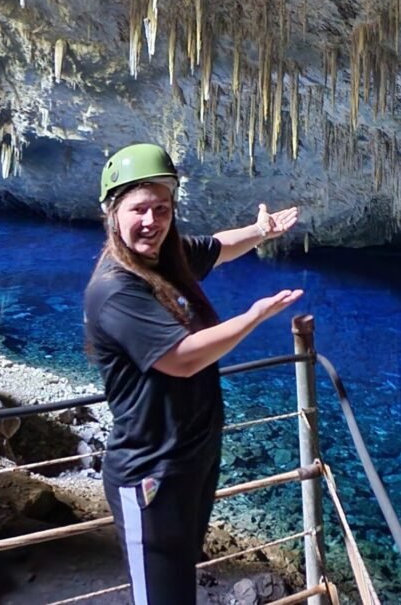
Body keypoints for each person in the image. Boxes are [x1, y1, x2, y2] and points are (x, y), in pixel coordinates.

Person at [83, 143, 303, 605]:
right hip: (150, 473)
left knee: (179, 587)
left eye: (162, 209)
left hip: (191, 459)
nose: (152, 221)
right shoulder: (116, 288)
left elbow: (217, 248)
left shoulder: (164, 257)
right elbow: (181, 358)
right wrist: (254, 317)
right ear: (112, 213)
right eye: (139, 209)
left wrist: (260, 231)